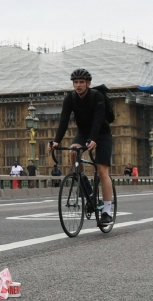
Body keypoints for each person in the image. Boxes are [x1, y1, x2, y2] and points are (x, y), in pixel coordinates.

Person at [48, 68, 115, 226]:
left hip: (102, 133)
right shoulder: (70, 99)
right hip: (84, 133)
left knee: (102, 170)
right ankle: (85, 184)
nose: (78, 85)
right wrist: (56, 141)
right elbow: (64, 120)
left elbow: (99, 119)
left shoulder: (97, 96)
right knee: (73, 152)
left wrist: (93, 138)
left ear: (88, 84)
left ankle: (107, 211)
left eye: (81, 82)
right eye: (75, 82)